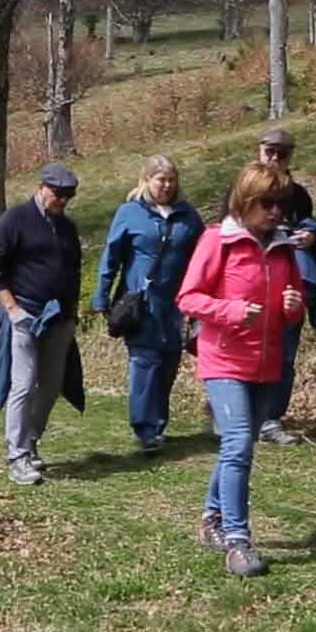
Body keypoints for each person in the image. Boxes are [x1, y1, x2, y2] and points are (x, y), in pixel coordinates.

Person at [176, 162, 303, 577]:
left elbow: (296, 299)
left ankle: (211, 519)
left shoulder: (283, 246)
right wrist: (228, 310)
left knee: (239, 445)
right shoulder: (218, 240)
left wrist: (292, 307)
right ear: (246, 201)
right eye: (267, 203)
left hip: (266, 364)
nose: (275, 213)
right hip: (224, 360)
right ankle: (237, 540)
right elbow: (188, 297)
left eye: (280, 204)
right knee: (238, 447)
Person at [0, 164, 86, 486]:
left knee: (52, 385)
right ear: (41, 187)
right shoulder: (16, 219)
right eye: (58, 194)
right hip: (26, 313)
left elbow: (74, 269)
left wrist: (73, 311)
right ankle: (17, 456)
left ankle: (31, 439)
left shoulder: (67, 227)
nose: (63, 201)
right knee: (23, 385)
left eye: (69, 196)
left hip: (60, 317)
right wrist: (12, 308)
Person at [92, 156, 204, 454]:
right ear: (147, 180)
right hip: (141, 303)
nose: (166, 185)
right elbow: (111, 256)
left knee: (168, 362)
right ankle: (145, 428)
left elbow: (202, 256)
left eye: (171, 180)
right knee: (145, 363)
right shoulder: (130, 213)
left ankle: (158, 423)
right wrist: (101, 296)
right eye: (160, 179)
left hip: (176, 303)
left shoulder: (188, 216)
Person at [254, 128, 316, 447]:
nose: (275, 158)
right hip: (250, 283)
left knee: (284, 355)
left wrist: (311, 237)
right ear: (259, 151)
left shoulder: (298, 195)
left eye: (282, 153)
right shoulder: (242, 189)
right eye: (270, 151)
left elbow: (310, 226)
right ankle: (236, 412)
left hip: (289, 283)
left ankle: (271, 419)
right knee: (248, 350)